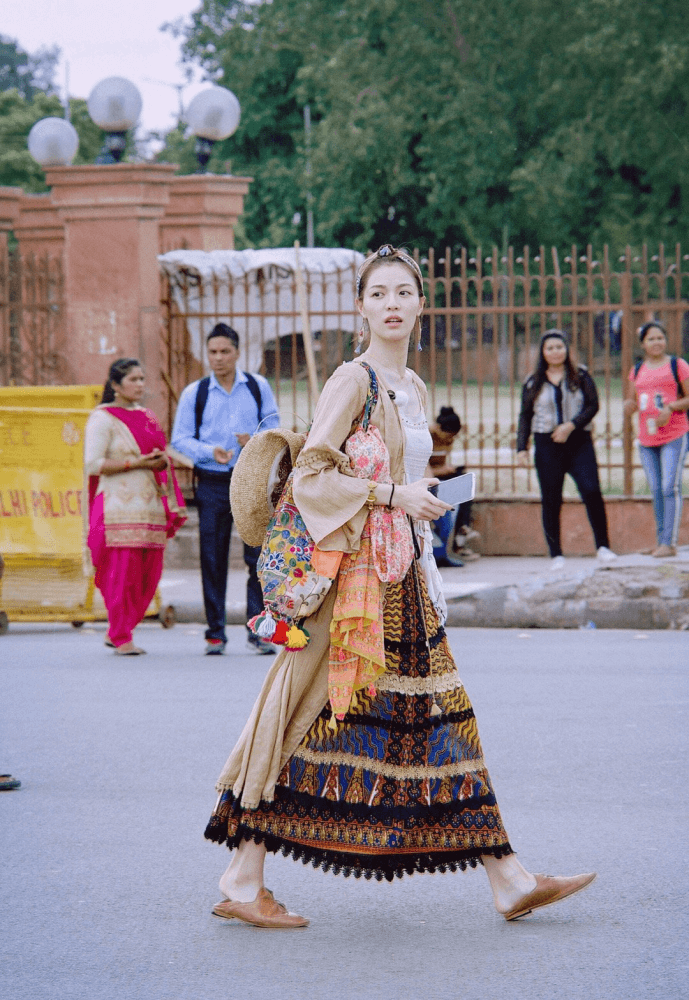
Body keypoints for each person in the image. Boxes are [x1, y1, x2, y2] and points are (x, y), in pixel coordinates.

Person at [203, 246, 595, 929]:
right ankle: (241, 878)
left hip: (406, 580)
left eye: (402, 292)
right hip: (353, 588)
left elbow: (402, 487)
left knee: (444, 725)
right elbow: (312, 478)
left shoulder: (411, 386)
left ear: (420, 304)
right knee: (303, 719)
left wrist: (419, 503)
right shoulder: (352, 382)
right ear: (360, 308)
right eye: (377, 293)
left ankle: (507, 878)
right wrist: (393, 494)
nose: (390, 303)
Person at [171, 324, 280, 655]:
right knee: (212, 557)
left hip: (251, 480)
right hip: (213, 482)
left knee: (257, 557)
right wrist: (208, 452)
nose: (218, 358)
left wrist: (257, 440)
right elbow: (180, 439)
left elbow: (275, 426)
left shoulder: (258, 387)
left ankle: (258, 629)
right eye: (212, 352)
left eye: (224, 352)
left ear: (236, 353)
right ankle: (215, 631)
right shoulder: (196, 392)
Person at [84, 358, 186, 655]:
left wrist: (160, 460)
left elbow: (159, 453)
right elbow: (93, 464)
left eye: (142, 379)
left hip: (150, 508)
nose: (140, 385)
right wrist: (136, 462)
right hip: (118, 509)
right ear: (115, 385)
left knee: (147, 575)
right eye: (133, 380)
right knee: (121, 574)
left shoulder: (147, 416)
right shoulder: (102, 418)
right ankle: (120, 636)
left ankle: (121, 628)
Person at [516, 330, 616, 570]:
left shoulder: (580, 375)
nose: (555, 352)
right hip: (547, 444)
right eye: (549, 348)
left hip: (579, 442)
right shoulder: (533, 381)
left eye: (559, 347)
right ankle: (556, 554)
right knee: (551, 498)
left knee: (591, 490)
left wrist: (571, 425)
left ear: (566, 349)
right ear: (543, 352)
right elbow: (525, 416)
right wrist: (522, 447)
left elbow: (593, 405)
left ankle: (603, 547)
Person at [623, 321, 689, 557]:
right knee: (656, 489)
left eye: (660, 337)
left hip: (674, 434)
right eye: (651, 339)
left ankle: (669, 543)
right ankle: (661, 540)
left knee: (669, 486)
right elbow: (631, 401)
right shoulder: (638, 369)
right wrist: (628, 406)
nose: (656, 342)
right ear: (643, 344)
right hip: (647, 438)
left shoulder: (677, 365)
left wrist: (670, 407)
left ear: (666, 340)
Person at [428, 405, 480, 564]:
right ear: (438, 428)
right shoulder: (428, 436)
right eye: (448, 435)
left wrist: (448, 470)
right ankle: (455, 540)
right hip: (426, 479)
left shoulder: (447, 440)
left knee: (465, 483)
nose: (450, 440)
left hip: (439, 476)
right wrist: (443, 470)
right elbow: (426, 470)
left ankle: (462, 532)